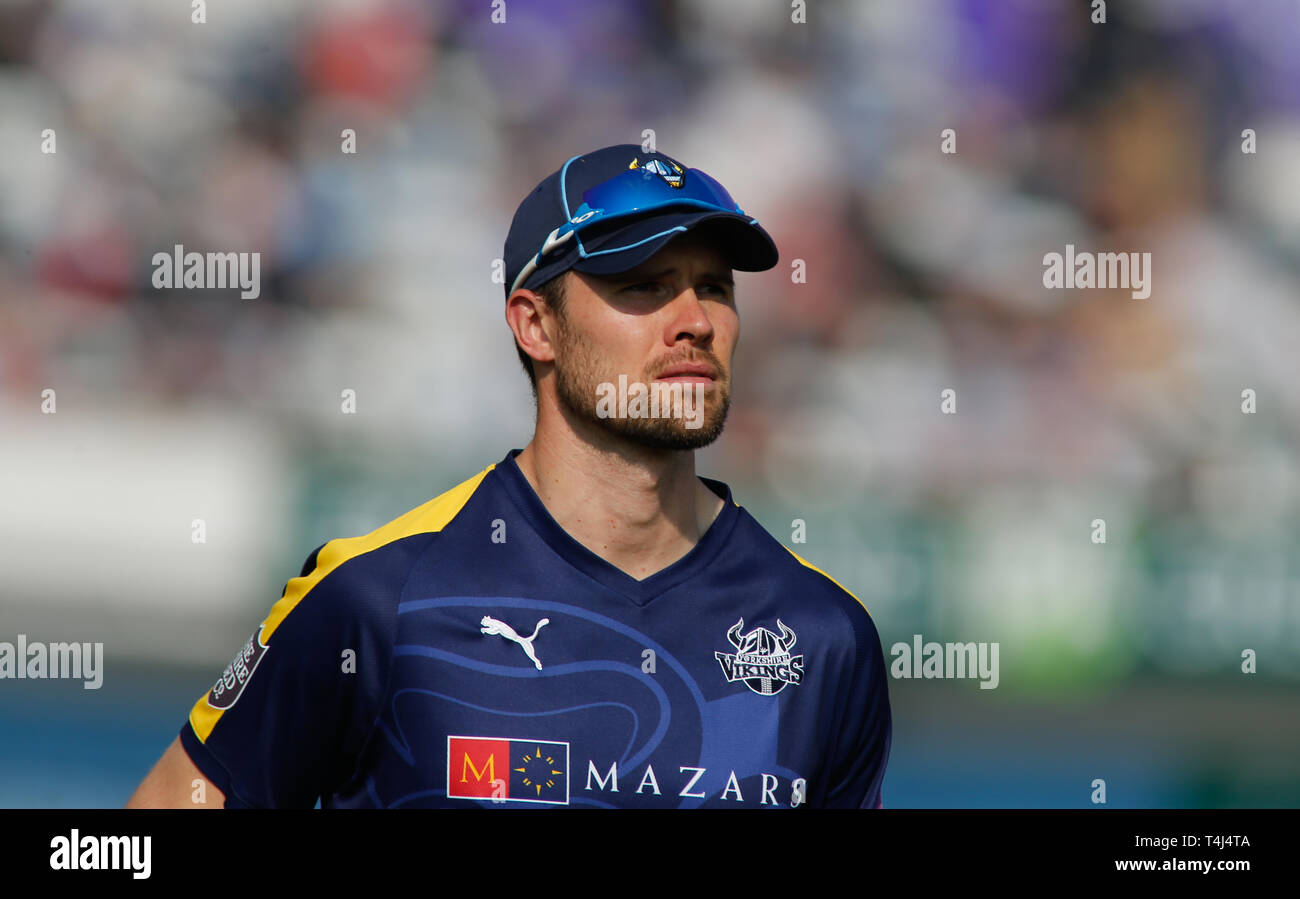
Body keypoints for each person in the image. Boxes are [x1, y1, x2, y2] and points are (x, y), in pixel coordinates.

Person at [127, 144, 891, 808]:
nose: (693, 318)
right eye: (643, 285)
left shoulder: (825, 635)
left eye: (714, 286)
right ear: (535, 323)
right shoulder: (378, 599)